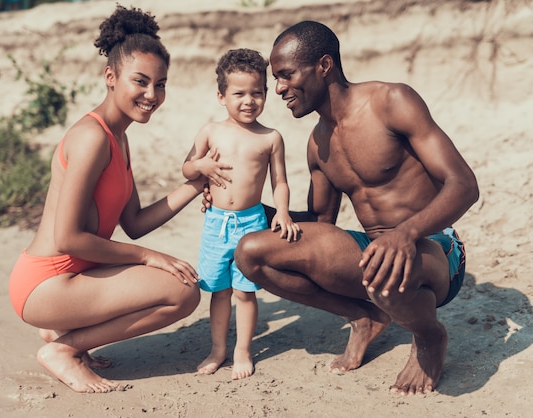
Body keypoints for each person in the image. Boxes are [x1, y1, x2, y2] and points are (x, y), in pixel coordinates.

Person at [204, 21, 478, 394]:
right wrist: (243, 207)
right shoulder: (318, 144)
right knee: (251, 253)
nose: (279, 88)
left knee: (383, 264)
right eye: (276, 79)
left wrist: (406, 233)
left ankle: (429, 337)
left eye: (286, 75)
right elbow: (319, 223)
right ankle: (363, 317)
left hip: (436, 247)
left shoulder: (391, 101)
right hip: (378, 250)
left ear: (324, 65)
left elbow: (464, 185)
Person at [8, 5, 205, 394]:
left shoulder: (119, 138)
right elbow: (67, 239)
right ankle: (65, 348)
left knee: (179, 282)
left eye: (161, 84)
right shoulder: (92, 138)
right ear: (110, 77)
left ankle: (67, 333)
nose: (152, 94)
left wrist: (196, 186)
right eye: (141, 81)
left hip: (71, 277)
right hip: (45, 283)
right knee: (183, 293)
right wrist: (150, 256)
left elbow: (133, 222)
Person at [183, 48, 300, 380]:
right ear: (222, 96)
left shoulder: (270, 138)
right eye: (239, 94)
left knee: (244, 292)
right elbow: (187, 168)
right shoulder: (210, 131)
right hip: (216, 223)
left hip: (252, 224)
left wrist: (283, 213)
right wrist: (201, 165)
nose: (249, 101)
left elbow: (280, 181)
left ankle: (242, 351)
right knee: (219, 291)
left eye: (257, 93)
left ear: (265, 94)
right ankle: (218, 349)